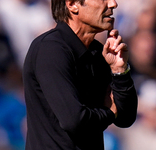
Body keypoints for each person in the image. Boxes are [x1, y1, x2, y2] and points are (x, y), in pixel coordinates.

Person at [23, 0, 138, 149]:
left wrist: (120, 71)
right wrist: (110, 113)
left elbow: (125, 118)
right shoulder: (50, 49)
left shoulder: (99, 52)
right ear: (72, 5)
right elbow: (74, 120)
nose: (113, 4)